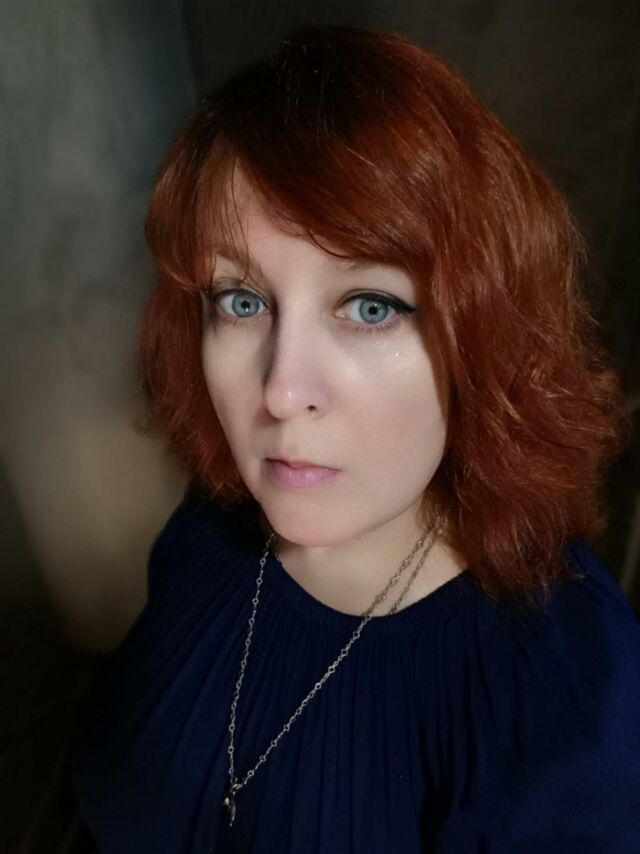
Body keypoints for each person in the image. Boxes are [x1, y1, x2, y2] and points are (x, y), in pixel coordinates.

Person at [69, 23, 640, 853]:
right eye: (240, 300)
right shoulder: (214, 524)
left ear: (484, 334)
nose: (280, 391)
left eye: (371, 306)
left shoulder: (564, 695)